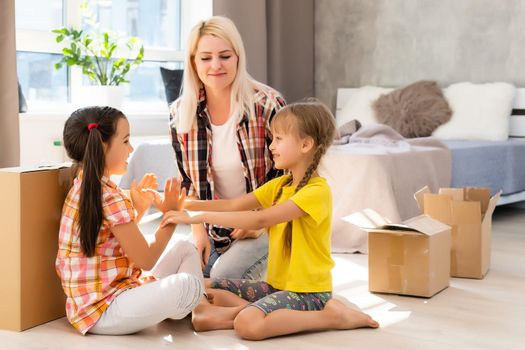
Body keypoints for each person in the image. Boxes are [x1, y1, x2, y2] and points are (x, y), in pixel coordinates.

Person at [161, 100, 380, 340]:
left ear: (306, 144)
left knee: (248, 325)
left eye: (278, 139)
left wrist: (197, 217)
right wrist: (181, 203)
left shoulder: (316, 192)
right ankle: (233, 312)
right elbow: (233, 204)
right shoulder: (280, 185)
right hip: (277, 288)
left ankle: (333, 316)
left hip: (309, 294)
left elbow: (259, 220)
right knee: (202, 286)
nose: (271, 146)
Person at [56, 106, 203, 335]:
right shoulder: (108, 196)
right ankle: (199, 308)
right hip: (105, 310)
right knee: (186, 285)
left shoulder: (84, 185)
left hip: (109, 297)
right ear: (103, 146)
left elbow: (111, 241)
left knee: (185, 249)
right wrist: (171, 215)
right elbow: (146, 259)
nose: (131, 149)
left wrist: (138, 209)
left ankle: (196, 309)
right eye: (125, 141)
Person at [169, 16, 286, 280]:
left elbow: (289, 178)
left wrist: (261, 221)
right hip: (214, 230)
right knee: (176, 279)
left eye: (224, 56)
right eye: (206, 58)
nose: (215, 66)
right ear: (193, 62)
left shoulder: (267, 104)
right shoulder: (180, 114)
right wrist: (198, 232)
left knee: (221, 278)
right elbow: (188, 183)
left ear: (237, 58)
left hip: (267, 226)